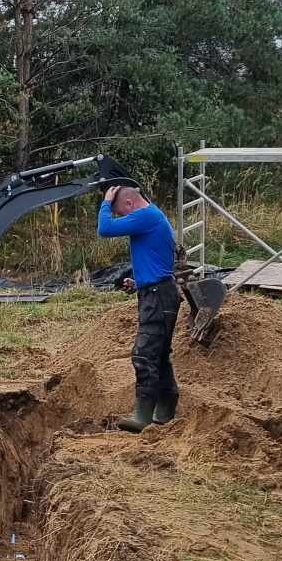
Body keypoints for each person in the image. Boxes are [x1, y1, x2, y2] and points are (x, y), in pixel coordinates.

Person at [97, 182, 179, 432]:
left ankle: (143, 416)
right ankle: (165, 409)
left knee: (143, 355)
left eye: (121, 211)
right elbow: (156, 261)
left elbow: (105, 228)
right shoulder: (152, 217)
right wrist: (139, 281)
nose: (122, 216)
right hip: (157, 293)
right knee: (159, 356)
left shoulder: (145, 215)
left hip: (158, 298)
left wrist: (106, 202)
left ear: (130, 203)